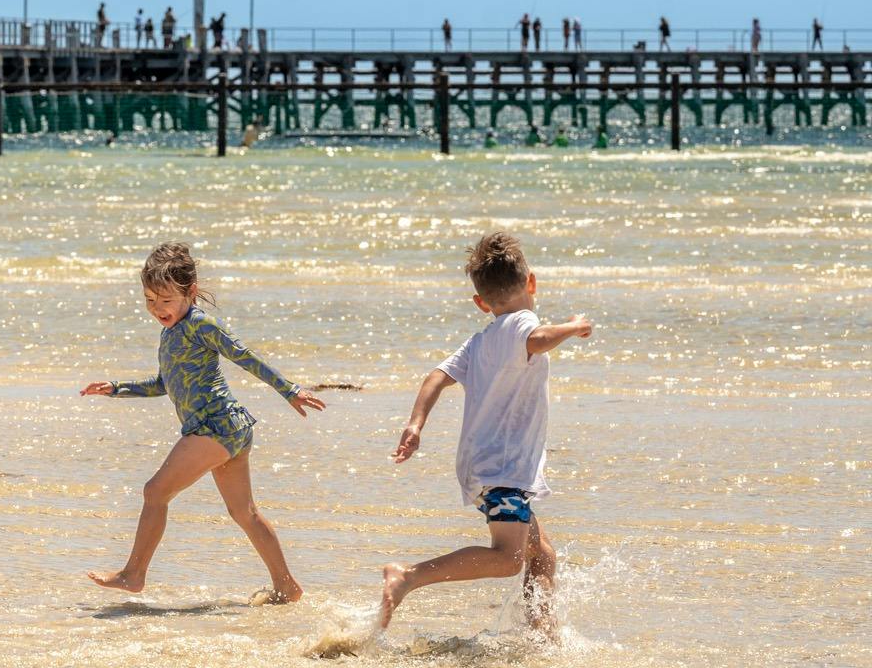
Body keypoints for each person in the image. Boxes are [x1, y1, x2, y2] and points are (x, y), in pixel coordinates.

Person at [80, 243, 328, 600]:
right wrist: (117, 388)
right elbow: (164, 384)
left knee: (155, 492)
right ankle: (287, 587)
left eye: (166, 300)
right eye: (150, 300)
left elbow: (243, 355)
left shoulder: (200, 324)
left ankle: (133, 574)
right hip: (230, 429)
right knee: (244, 513)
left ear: (191, 292)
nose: (157, 309)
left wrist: (288, 390)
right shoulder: (170, 333)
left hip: (215, 425)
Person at [377, 231, 592, 633]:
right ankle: (408, 576)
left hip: (483, 466)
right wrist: (574, 326)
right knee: (509, 558)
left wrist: (415, 424)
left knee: (542, 554)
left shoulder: (479, 341)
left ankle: (541, 635)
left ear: (481, 303)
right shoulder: (522, 322)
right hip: (503, 469)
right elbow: (539, 339)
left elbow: (436, 377)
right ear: (531, 282)